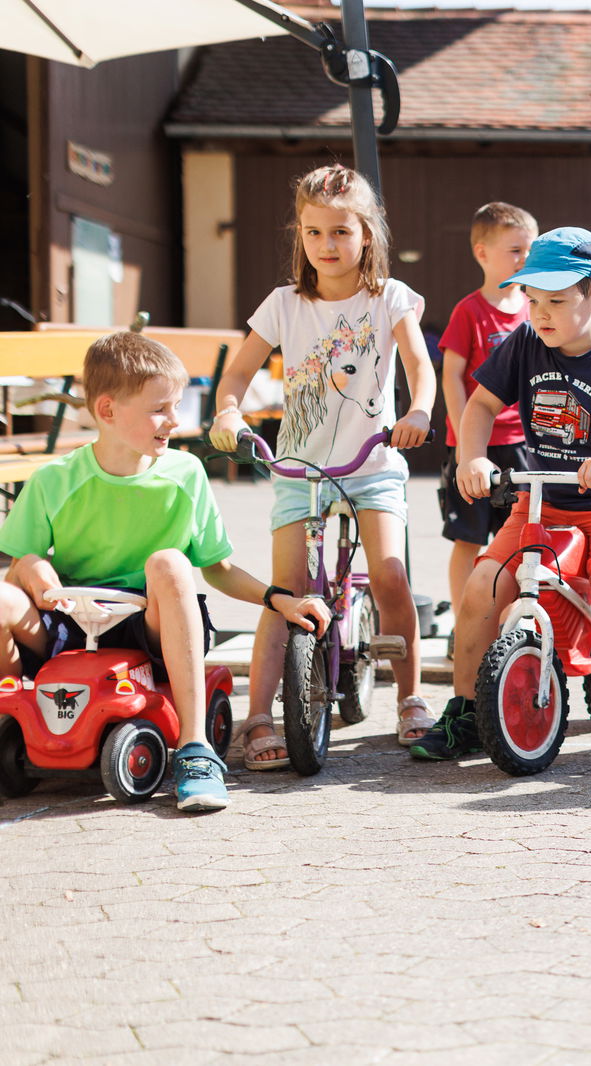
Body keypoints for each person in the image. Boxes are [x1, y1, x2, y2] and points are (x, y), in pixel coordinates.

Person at [0, 332, 329, 812]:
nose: (176, 420)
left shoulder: (184, 474)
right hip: (70, 620)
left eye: (177, 406)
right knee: (3, 597)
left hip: (150, 626)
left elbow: (217, 570)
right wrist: (39, 576)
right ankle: (13, 722)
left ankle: (195, 750)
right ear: (108, 411)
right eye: (162, 409)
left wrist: (280, 599)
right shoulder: (54, 480)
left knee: (169, 561)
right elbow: (21, 566)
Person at [410, 226, 591, 774]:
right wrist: (472, 458)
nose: (540, 313)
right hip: (541, 500)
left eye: (556, 300)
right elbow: (480, 407)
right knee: (483, 586)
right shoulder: (525, 345)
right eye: (532, 300)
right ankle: (463, 710)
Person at [208, 163, 437, 764]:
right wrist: (229, 412)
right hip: (299, 468)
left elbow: (419, 363)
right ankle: (258, 716)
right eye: (314, 234)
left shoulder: (388, 298)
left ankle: (411, 699)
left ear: (366, 234)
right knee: (288, 592)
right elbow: (236, 372)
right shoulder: (285, 304)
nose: (326, 246)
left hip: (372, 462)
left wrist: (418, 410)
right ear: (300, 237)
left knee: (389, 574)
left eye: (340, 232)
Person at [438, 202, 539, 619]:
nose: (525, 259)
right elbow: (452, 379)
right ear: (482, 253)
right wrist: (467, 448)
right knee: (469, 539)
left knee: (519, 540)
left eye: (531, 250)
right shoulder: (470, 312)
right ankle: (466, 624)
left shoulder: (538, 309)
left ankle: (510, 622)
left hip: (522, 447)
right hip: (474, 449)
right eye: (516, 250)